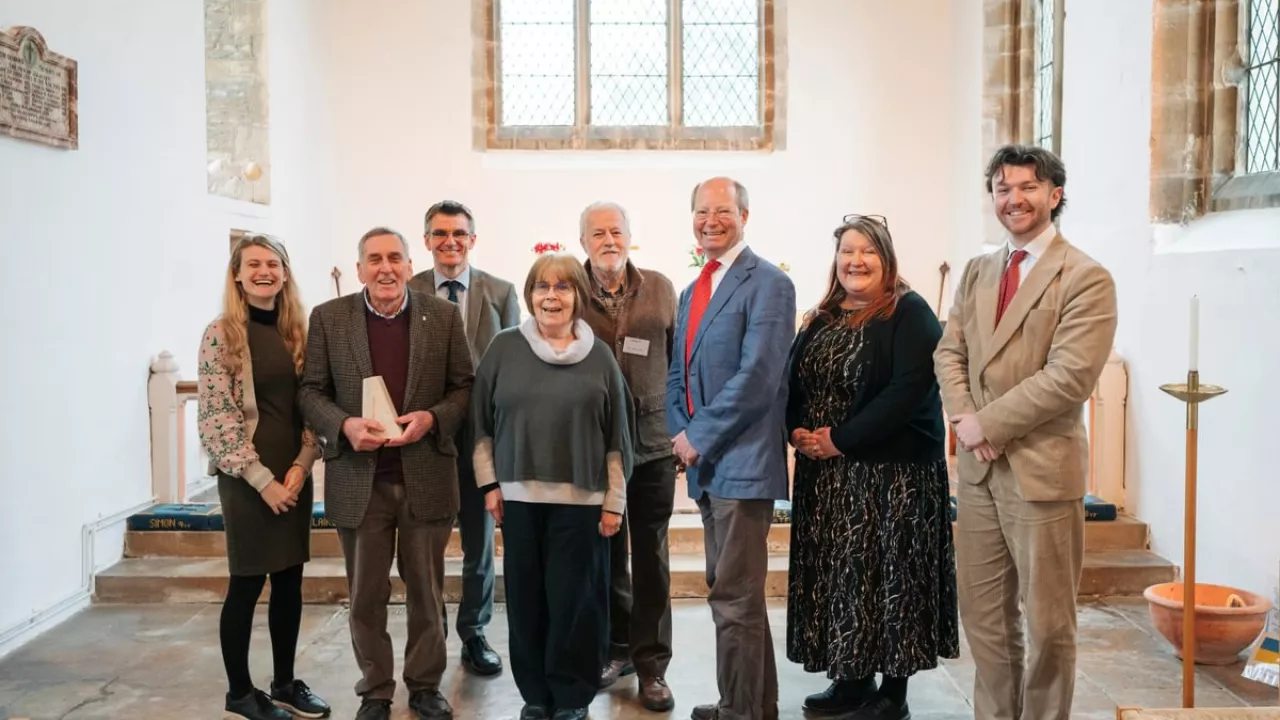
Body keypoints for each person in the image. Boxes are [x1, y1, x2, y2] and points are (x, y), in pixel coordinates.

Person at [934, 144, 1118, 720]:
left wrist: (987, 424)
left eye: (1027, 187)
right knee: (985, 620)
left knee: (1047, 623)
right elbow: (950, 351)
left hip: (1040, 471)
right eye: (1003, 188)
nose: (1014, 199)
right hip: (980, 473)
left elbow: (1068, 377)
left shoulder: (1086, 277)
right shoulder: (979, 269)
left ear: (1054, 195)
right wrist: (967, 424)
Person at [784, 215, 959, 720]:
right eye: (847, 252)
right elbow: (794, 381)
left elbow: (907, 393)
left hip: (893, 477)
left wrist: (839, 439)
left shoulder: (909, 312)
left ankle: (893, 694)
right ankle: (851, 680)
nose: (855, 261)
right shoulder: (822, 314)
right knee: (842, 579)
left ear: (886, 258)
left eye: (867, 252)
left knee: (891, 578)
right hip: (829, 479)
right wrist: (796, 429)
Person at [298, 227, 474, 720]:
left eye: (395, 258)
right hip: (360, 479)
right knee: (366, 596)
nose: (385, 268)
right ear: (359, 270)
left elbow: (464, 386)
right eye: (374, 259)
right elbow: (311, 392)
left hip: (426, 475)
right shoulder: (329, 319)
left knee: (427, 592)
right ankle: (375, 689)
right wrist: (345, 425)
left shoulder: (441, 316)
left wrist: (433, 418)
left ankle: (424, 686)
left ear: (409, 263)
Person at [470, 252, 635, 720]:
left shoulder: (598, 355)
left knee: (576, 603)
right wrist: (489, 486)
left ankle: (571, 696)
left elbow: (617, 438)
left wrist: (614, 504)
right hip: (518, 501)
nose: (551, 296)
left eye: (563, 287)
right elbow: (480, 424)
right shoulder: (504, 348)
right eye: (542, 287)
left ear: (578, 296)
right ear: (529, 295)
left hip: (582, 504)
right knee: (525, 602)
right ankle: (536, 696)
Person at [666, 177, 795, 720]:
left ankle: (739, 712)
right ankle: (750, 705)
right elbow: (678, 374)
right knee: (734, 595)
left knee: (734, 597)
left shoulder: (768, 283)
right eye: (701, 211)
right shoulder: (693, 289)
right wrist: (681, 431)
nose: (710, 220)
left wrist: (698, 434)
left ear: (745, 214)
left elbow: (759, 377)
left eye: (722, 211)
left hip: (743, 461)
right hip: (707, 466)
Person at [197, 234, 332, 720]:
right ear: (237, 273)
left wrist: (301, 464)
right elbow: (216, 419)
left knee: (290, 582)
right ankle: (239, 692)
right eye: (254, 264)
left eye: (273, 264)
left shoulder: (299, 330)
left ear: (285, 272)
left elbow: (315, 403)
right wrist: (262, 479)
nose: (264, 271)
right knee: (247, 585)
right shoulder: (221, 334)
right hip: (248, 480)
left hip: (295, 474)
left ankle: (285, 683)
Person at [407, 199, 519, 677]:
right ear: (427, 240)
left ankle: (474, 634)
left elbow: (515, 367)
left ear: (473, 239)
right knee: (423, 548)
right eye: (439, 233)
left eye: (458, 233)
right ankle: (428, 633)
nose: (449, 241)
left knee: (479, 545)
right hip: (423, 440)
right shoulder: (407, 290)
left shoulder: (500, 291)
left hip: (481, 441)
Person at [577, 201, 679, 711]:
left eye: (616, 231)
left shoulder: (660, 287)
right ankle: (616, 649)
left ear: (630, 237)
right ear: (583, 243)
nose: (608, 239)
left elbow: (680, 363)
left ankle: (653, 666)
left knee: (653, 557)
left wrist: (684, 429)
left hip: (656, 446)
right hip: (596, 450)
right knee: (607, 556)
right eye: (598, 233)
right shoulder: (569, 291)